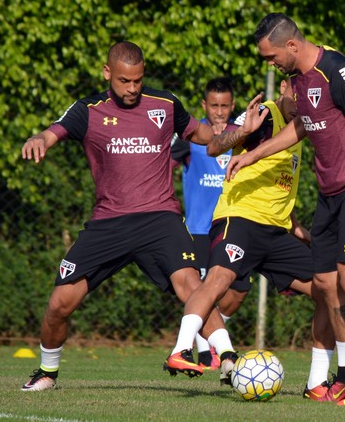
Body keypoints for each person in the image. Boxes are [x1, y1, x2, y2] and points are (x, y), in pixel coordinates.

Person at [20, 41, 228, 391]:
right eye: (124, 81)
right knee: (60, 303)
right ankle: (47, 372)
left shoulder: (164, 104)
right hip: (108, 223)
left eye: (137, 80)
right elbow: (52, 132)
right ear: (107, 74)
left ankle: (232, 361)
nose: (132, 89)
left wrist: (233, 135)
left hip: (159, 218)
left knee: (192, 285)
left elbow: (203, 135)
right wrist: (39, 138)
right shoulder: (88, 110)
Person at [226, 13, 345, 406]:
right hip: (329, 194)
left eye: (271, 57)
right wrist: (253, 156)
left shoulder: (336, 68)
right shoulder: (299, 81)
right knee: (325, 285)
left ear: (291, 46)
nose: (270, 64)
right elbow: (301, 126)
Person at [166, 79, 345, 395]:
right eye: (298, 93)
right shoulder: (264, 115)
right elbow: (214, 146)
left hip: (276, 233)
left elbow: (280, 191)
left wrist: (299, 230)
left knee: (328, 289)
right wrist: (243, 131)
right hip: (240, 220)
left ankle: (317, 381)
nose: (302, 100)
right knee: (217, 281)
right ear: (283, 87)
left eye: (309, 96)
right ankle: (181, 351)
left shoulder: (302, 127)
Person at [170, 76, 235, 370]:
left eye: (224, 106)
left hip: (229, 226)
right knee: (203, 289)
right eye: (213, 105)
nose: (219, 112)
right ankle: (207, 353)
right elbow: (161, 163)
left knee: (234, 293)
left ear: (232, 105)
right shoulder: (190, 138)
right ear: (204, 105)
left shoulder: (239, 136)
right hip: (197, 229)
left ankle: (211, 344)